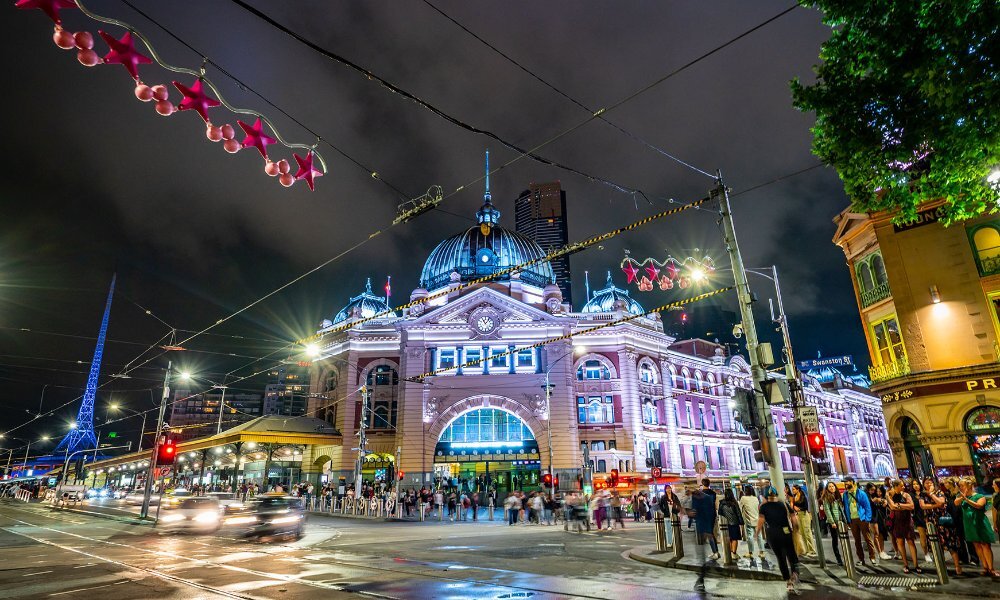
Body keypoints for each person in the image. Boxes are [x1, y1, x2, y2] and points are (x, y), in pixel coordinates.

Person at [756, 486, 799, 595]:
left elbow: (760, 522)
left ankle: (788, 581)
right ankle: (794, 573)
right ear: (776, 494)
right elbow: (794, 517)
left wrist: (757, 534)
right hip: (786, 532)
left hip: (773, 534)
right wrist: (796, 528)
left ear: (766, 495)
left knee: (780, 557)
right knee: (791, 554)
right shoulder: (784, 504)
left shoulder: (763, 507)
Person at [955, 476, 997, 577]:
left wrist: (966, 499)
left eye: (962, 485)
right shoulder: (960, 496)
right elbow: (956, 503)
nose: (960, 487)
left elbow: (979, 505)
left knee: (985, 545)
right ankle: (985, 567)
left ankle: (991, 568)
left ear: (969, 486)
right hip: (969, 524)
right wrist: (963, 497)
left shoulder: (979, 496)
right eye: (960, 485)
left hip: (980, 523)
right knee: (977, 546)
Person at [919, 477, 962, 575]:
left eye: (930, 483)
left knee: (951, 545)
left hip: (943, 522)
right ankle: (942, 567)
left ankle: (957, 566)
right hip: (931, 523)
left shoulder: (939, 493)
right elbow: (923, 506)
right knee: (937, 546)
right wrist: (935, 505)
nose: (928, 485)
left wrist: (931, 494)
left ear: (934, 484)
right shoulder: (922, 494)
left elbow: (941, 502)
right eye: (926, 483)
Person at [842, 476, 877, 566]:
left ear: (852, 482)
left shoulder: (861, 493)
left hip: (862, 519)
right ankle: (861, 559)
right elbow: (845, 507)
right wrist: (848, 520)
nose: (845, 484)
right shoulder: (845, 495)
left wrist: (867, 519)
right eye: (845, 483)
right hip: (852, 520)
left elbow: (867, 507)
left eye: (847, 482)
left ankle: (872, 557)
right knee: (857, 540)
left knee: (867, 538)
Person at [887, 478, 921, 574]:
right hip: (897, 521)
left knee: (911, 542)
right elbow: (892, 506)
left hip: (907, 521)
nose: (903, 487)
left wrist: (898, 505)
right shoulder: (890, 495)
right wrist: (902, 505)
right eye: (901, 486)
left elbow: (912, 506)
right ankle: (905, 565)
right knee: (900, 543)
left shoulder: (906, 494)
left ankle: (916, 565)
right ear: (896, 486)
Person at [820, 482, 844, 566]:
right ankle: (839, 559)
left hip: (841, 521)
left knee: (844, 540)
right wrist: (832, 522)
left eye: (833, 486)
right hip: (833, 522)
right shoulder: (826, 498)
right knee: (835, 541)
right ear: (827, 488)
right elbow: (827, 511)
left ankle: (845, 556)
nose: (831, 488)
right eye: (829, 486)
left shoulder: (838, 496)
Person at [910, 478, 932, 565]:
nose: (916, 486)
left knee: (931, 535)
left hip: (928, 515)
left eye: (917, 484)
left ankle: (934, 552)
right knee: (923, 536)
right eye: (914, 484)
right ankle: (926, 554)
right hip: (918, 517)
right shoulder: (911, 495)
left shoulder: (924, 493)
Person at [790, 484, 816, 558]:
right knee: (802, 532)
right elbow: (793, 506)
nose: (793, 491)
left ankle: (812, 550)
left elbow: (805, 507)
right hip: (798, 515)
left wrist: (799, 508)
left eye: (794, 489)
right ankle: (807, 549)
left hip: (804, 514)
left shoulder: (803, 496)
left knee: (807, 532)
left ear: (798, 489)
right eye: (792, 489)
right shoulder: (795, 497)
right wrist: (795, 507)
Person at [867, 484, 892, 560]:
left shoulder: (876, 497)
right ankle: (880, 552)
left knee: (880, 534)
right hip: (872, 517)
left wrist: (881, 500)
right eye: (872, 490)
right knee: (876, 534)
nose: (873, 491)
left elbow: (884, 503)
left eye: (874, 490)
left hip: (879, 517)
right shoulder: (868, 496)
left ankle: (882, 551)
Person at [739, 485, 764, 559]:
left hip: (749, 520)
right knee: (759, 535)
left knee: (750, 536)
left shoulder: (743, 498)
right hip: (757, 519)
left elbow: (740, 508)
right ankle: (761, 552)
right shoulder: (755, 498)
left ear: (745, 491)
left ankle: (750, 552)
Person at [718, 488, 744, 557]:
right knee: (734, 538)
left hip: (725, 524)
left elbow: (719, 513)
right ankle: (734, 553)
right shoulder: (734, 502)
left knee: (728, 538)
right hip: (734, 523)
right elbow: (738, 513)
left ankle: (729, 553)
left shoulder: (721, 503)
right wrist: (741, 523)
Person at [659, 485, 682, 549]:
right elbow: (660, 505)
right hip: (667, 516)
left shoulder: (674, 496)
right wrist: (664, 511)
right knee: (668, 530)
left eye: (669, 488)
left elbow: (678, 504)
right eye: (667, 488)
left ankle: (675, 541)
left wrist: (677, 511)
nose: (669, 489)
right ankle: (669, 542)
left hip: (674, 515)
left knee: (674, 529)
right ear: (665, 490)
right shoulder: (663, 497)